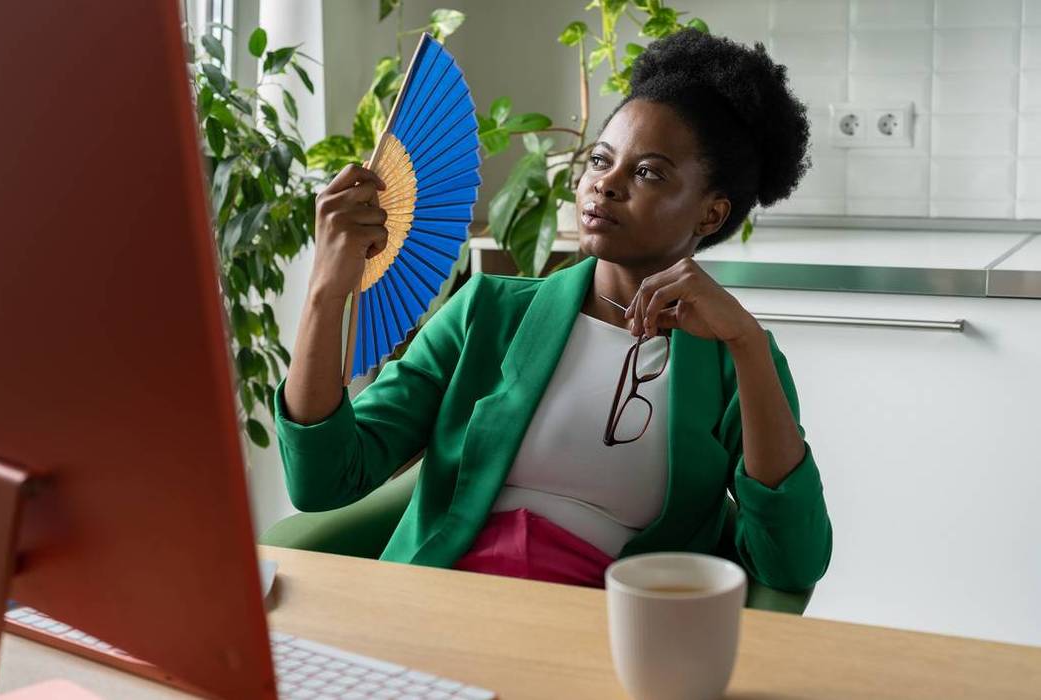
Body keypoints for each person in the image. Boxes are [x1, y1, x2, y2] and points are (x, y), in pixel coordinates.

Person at [273, 29, 832, 592]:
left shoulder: (733, 358)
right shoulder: (487, 312)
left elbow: (789, 562)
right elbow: (323, 480)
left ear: (710, 214)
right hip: (438, 604)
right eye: (600, 160)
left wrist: (748, 345)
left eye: (648, 173)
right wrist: (327, 288)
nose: (605, 185)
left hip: (600, 635)